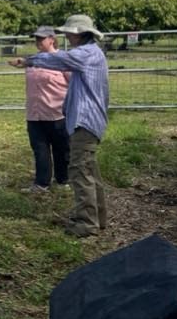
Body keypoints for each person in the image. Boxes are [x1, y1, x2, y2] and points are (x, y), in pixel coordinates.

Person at [9, 14, 109, 237]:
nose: (66, 35)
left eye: (68, 32)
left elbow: (57, 60)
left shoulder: (85, 54)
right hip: (86, 120)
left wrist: (29, 60)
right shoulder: (91, 53)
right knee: (90, 170)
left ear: (78, 33)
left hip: (85, 121)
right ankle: (98, 218)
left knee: (80, 171)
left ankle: (86, 223)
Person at [18, 26, 70, 193]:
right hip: (35, 114)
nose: (38, 41)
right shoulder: (32, 61)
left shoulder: (63, 60)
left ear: (51, 39)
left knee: (61, 149)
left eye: (41, 38)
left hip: (57, 113)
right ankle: (42, 183)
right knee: (40, 150)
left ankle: (63, 180)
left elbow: (73, 84)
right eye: (36, 38)